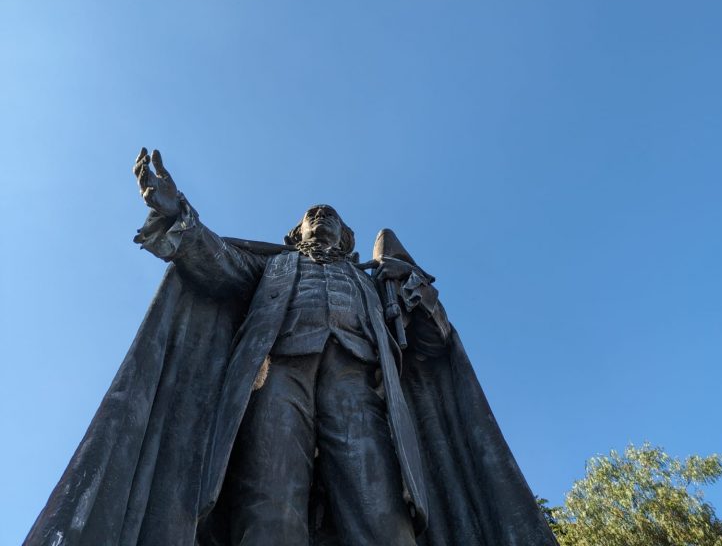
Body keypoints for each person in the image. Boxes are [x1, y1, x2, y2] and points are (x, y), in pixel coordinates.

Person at [24, 149, 558, 546]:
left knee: (380, 511)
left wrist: (418, 295)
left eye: (331, 217)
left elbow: (429, 347)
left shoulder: (374, 283)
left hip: (357, 383)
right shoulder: (273, 266)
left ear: (347, 239)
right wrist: (176, 216)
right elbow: (216, 262)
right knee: (270, 503)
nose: (322, 219)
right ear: (296, 232)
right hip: (276, 377)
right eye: (313, 215)